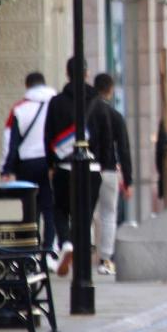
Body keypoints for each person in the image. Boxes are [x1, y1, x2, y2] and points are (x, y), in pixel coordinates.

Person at [44, 58, 112, 277]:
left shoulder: (56, 103)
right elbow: (106, 137)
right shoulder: (98, 104)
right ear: (87, 73)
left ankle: (66, 242)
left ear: (67, 74)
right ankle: (76, 251)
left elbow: (48, 135)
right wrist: (104, 164)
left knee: (60, 209)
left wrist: (51, 163)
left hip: (64, 166)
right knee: (84, 214)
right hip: (92, 168)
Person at [0, 72, 57, 249]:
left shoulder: (19, 108)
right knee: (50, 208)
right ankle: (49, 249)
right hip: (50, 163)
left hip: (26, 164)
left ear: (27, 86)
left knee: (30, 209)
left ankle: (31, 248)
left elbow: (11, 142)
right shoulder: (55, 104)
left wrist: (6, 169)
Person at [91, 74, 133, 276]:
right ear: (110, 90)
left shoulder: (86, 113)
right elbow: (124, 150)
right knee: (108, 214)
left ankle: (84, 254)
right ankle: (105, 259)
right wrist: (128, 181)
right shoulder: (115, 116)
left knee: (87, 214)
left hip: (88, 170)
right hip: (108, 170)